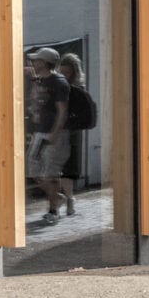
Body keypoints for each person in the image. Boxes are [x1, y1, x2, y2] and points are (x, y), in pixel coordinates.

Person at [24, 47, 72, 229]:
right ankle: (57, 198)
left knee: (48, 173)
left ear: (44, 62)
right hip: (39, 132)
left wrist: (54, 133)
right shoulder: (42, 80)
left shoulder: (59, 82)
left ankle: (54, 211)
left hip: (52, 134)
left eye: (36, 60)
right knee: (33, 170)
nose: (33, 62)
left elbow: (62, 110)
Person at [57, 52, 97, 220]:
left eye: (68, 73)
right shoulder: (58, 86)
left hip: (70, 132)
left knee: (67, 168)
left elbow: (85, 113)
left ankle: (69, 199)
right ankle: (62, 199)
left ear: (74, 72)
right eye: (62, 72)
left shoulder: (78, 91)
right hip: (57, 130)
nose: (65, 76)